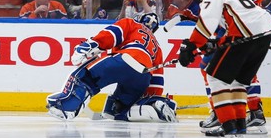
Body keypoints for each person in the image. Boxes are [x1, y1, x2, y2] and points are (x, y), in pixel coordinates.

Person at [178, 0, 271, 136]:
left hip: (244, 37)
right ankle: (239, 126)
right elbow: (236, 23)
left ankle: (228, 125)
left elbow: (205, 25)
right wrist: (215, 42)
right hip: (264, 36)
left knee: (214, 78)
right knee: (237, 82)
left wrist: (191, 46)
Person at [46, 12, 177, 122]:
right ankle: (153, 106)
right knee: (119, 108)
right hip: (144, 74)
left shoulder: (132, 23)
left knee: (86, 78)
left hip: (126, 58)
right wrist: (151, 97)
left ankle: (67, 107)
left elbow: (112, 34)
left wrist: (92, 44)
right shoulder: (157, 47)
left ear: (140, 19)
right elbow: (157, 80)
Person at [198, 0, 268, 131]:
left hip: (237, 28)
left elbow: (222, 3)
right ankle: (255, 112)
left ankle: (220, 113)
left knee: (208, 68)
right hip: (253, 25)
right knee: (245, 74)